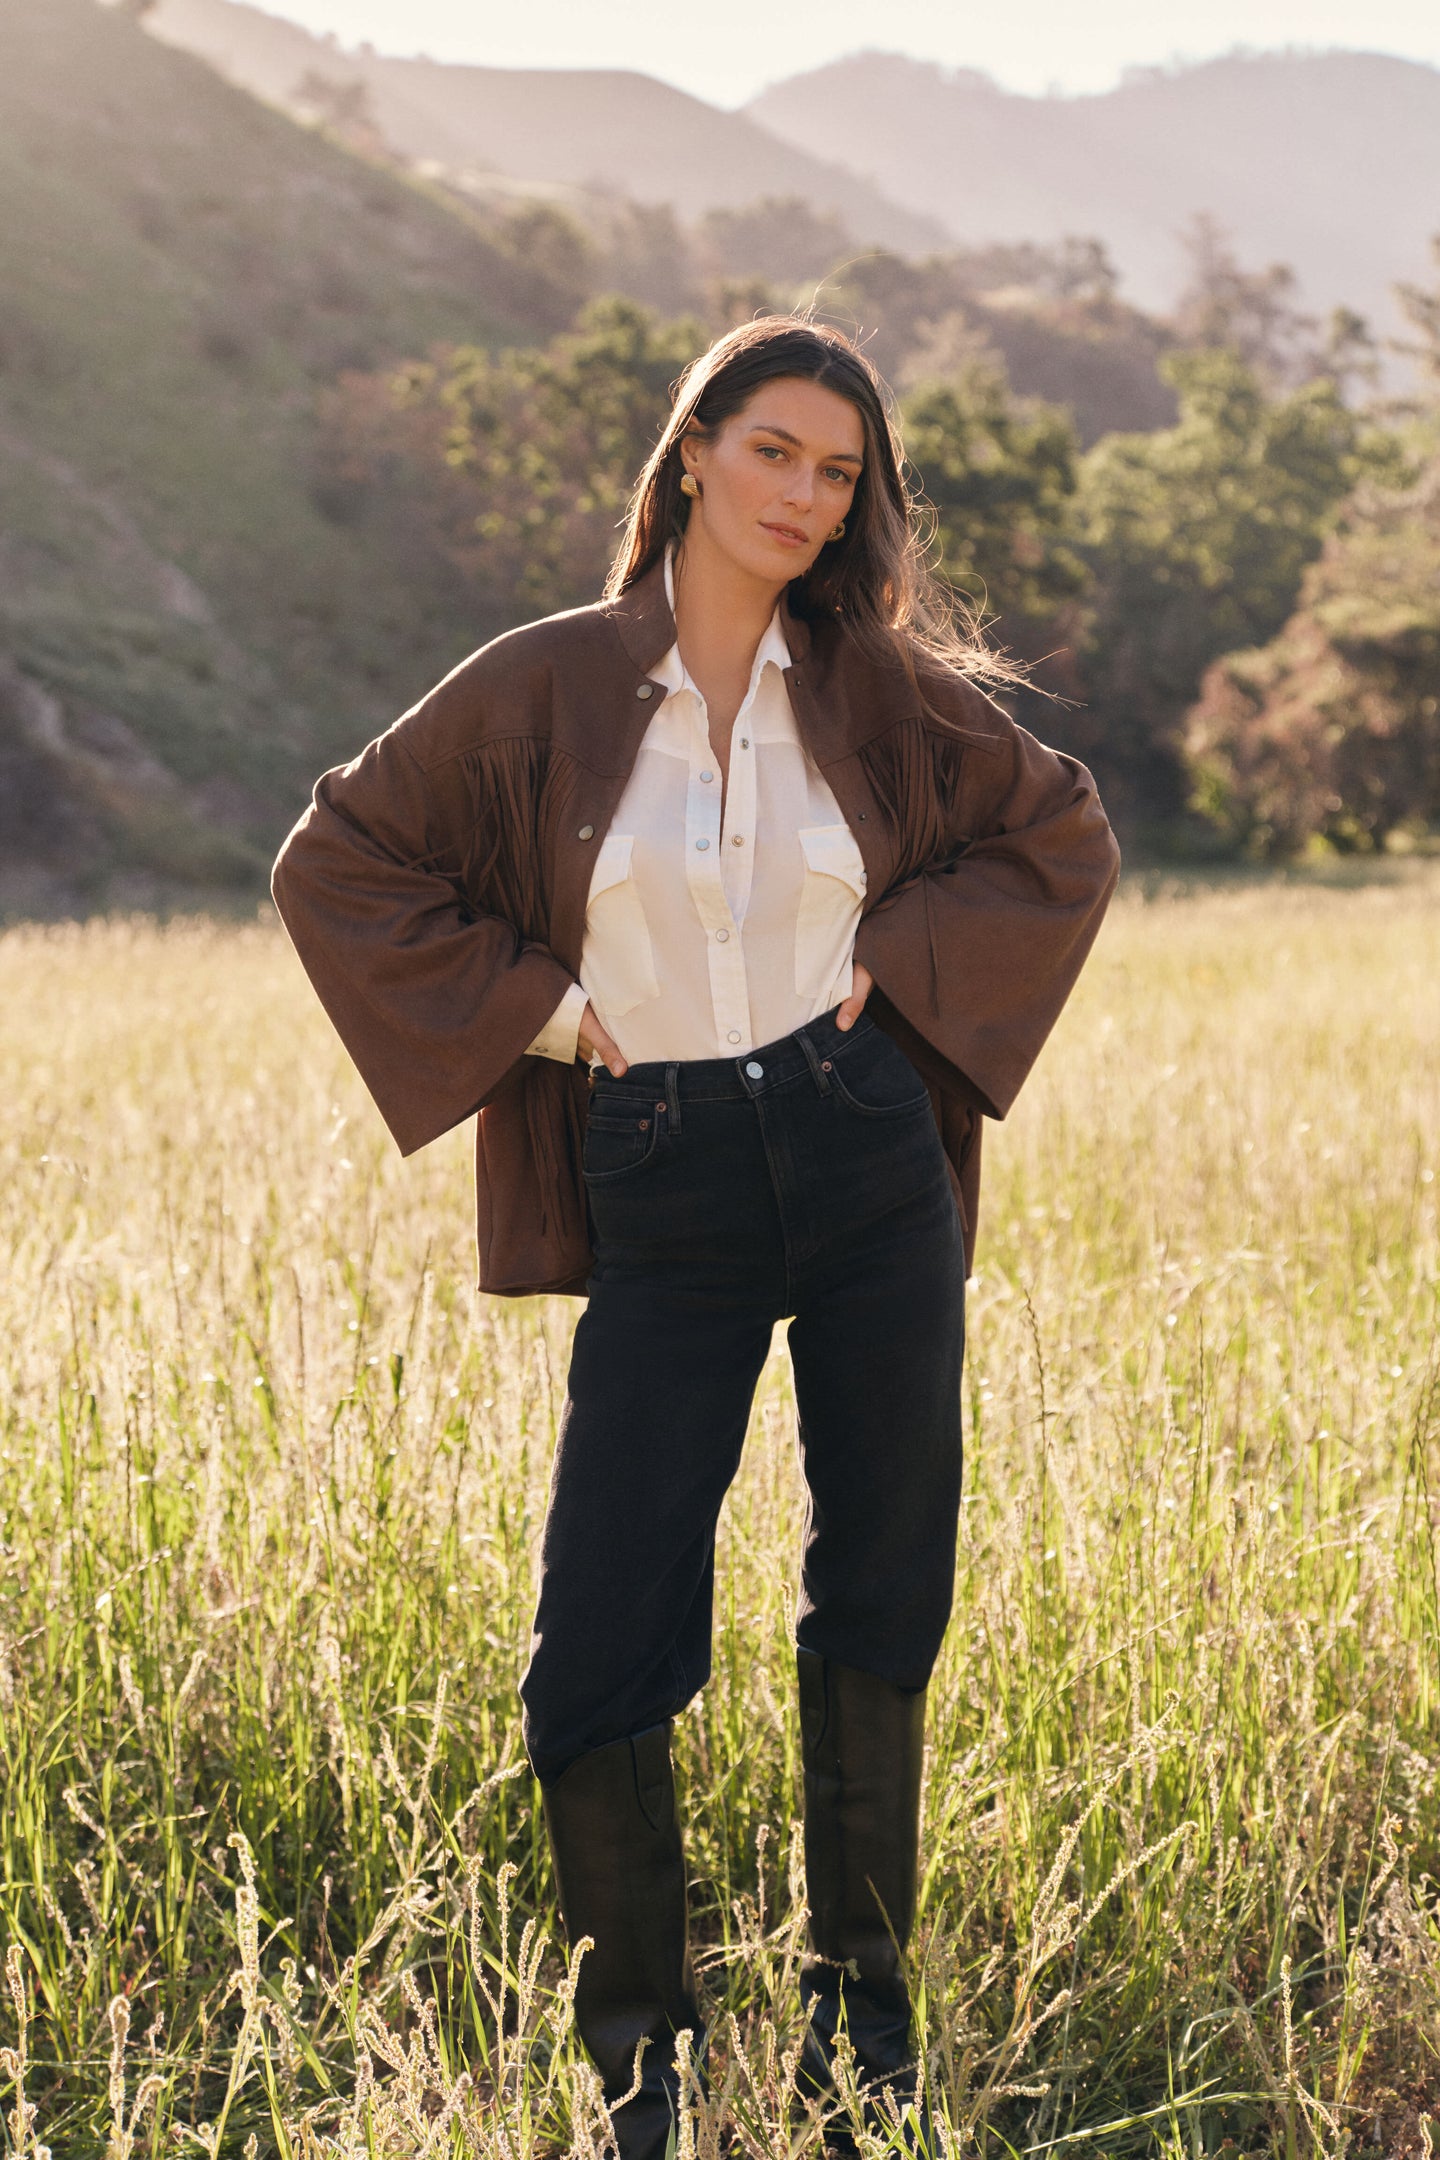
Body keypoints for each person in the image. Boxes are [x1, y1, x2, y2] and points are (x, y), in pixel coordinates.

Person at [270, 315, 1120, 2158]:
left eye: (840, 473)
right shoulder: (547, 682)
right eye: (775, 454)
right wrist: (550, 1016)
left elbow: (1060, 835)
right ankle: (641, 2077)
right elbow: (335, 860)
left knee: (882, 1581)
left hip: (865, 1155)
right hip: (660, 1164)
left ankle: (862, 2043)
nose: (807, 498)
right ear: (692, 456)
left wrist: (898, 969)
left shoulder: (879, 689)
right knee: (599, 1632)